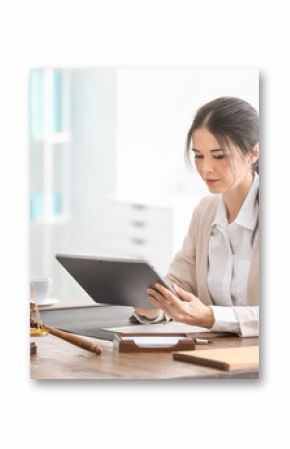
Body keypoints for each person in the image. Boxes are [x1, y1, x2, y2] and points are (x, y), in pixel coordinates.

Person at [133, 96, 259, 337]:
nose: (205, 169)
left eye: (219, 156)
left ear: (253, 153)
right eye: (199, 156)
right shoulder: (206, 210)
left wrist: (210, 317)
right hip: (216, 352)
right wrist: (155, 305)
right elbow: (181, 282)